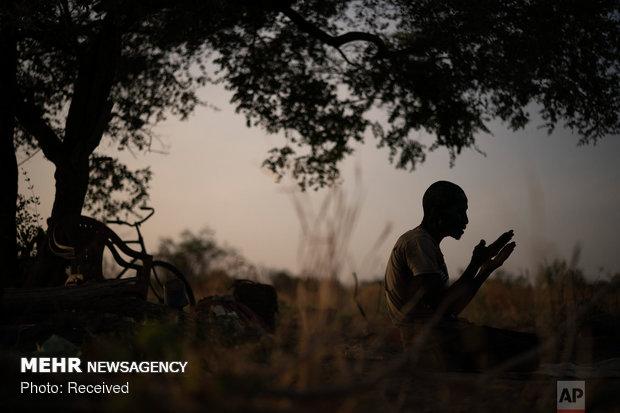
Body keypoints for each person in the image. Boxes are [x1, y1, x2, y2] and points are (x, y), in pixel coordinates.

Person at [384, 181, 538, 371]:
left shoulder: (427, 245)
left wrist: (485, 269)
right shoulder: (418, 242)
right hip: (431, 348)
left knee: (530, 344)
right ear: (435, 212)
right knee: (533, 347)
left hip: (441, 341)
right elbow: (442, 306)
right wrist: (475, 264)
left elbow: (450, 309)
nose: (465, 220)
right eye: (459, 212)